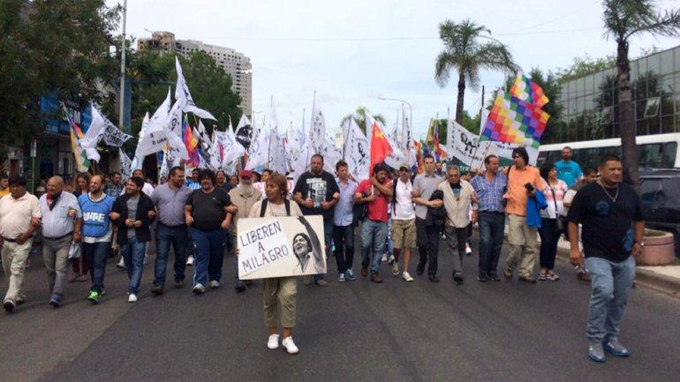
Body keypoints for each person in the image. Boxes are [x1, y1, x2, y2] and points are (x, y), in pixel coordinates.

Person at [567, 155, 644, 363]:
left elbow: (639, 218)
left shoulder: (629, 193)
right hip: (597, 253)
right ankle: (595, 339)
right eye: (612, 169)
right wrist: (574, 249)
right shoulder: (587, 193)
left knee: (619, 299)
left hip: (624, 255)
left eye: (619, 169)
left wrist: (638, 241)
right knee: (604, 291)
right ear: (601, 170)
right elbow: (572, 221)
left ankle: (611, 338)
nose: (617, 172)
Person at [246, 173, 304, 354]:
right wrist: (243, 250)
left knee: (289, 295)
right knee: (269, 298)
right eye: (267, 186)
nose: (268, 189)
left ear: (281, 188)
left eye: (272, 186)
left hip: (289, 262)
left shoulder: (292, 206)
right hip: (267, 263)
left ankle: (287, 336)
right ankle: (273, 333)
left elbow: (304, 228)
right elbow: (248, 234)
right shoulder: (258, 207)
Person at [185, 169, 236, 294]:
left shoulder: (221, 193)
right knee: (201, 256)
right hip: (199, 231)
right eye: (203, 179)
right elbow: (187, 208)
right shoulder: (194, 194)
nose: (205, 181)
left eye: (207, 179)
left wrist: (227, 220)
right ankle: (199, 283)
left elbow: (231, 208)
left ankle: (214, 277)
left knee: (216, 256)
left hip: (217, 231)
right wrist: (188, 216)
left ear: (212, 180)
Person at [292, 154, 340, 287]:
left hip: (326, 219)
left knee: (324, 247)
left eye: (318, 163)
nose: (315, 165)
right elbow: (295, 195)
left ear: (322, 164)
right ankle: (308, 273)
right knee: (308, 245)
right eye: (313, 163)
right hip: (308, 218)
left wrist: (330, 204)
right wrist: (303, 202)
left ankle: (319, 275)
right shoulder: (304, 177)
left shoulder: (329, 177)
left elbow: (337, 195)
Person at [39, 176, 82, 308]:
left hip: (64, 239)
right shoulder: (42, 199)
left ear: (62, 187)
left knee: (61, 267)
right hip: (46, 240)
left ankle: (57, 294)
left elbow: (79, 217)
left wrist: (76, 232)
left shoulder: (70, 198)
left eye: (53, 186)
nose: (50, 188)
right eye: (49, 185)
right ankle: (53, 290)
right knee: (49, 269)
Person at [111, 177, 156, 303]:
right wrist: (123, 221)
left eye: (132, 185)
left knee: (138, 262)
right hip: (124, 235)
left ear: (139, 187)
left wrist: (142, 222)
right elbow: (113, 216)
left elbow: (151, 217)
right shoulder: (120, 200)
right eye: (128, 185)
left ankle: (133, 289)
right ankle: (134, 282)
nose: (128, 187)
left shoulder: (146, 200)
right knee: (127, 260)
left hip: (140, 235)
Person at [1, 175, 41, 312]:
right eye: (12, 186)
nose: (14, 189)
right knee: (8, 270)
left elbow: (37, 220)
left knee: (16, 269)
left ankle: (10, 299)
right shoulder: (4, 200)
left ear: (24, 186)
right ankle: (19, 294)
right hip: (6, 241)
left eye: (17, 186)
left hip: (23, 241)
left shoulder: (32, 200)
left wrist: (26, 234)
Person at [503, 147, 544, 283]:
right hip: (513, 212)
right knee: (516, 245)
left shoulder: (534, 172)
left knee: (531, 246)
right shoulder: (508, 170)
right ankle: (510, 266)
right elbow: (495, 175)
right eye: (514, 157)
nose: (515, 159)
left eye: (518, 156)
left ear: (524, 157)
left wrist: (533, 193)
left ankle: (525, 272)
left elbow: (541, 191)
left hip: (530, 214)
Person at [150, 166, 192, 295]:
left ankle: (179, 276)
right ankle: (158, 283)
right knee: (161, 256)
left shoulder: (188, 191)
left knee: (180, 255)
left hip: (181, 229)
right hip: (163, 228)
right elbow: (151, 205)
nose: (182, 179)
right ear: (171, 176)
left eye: (182, 176)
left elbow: (191, 208)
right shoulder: (158, 190)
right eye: (179, 176)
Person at [79, 175, 115, 304]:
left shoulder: (110, 201)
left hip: (103, 237)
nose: (93, 184)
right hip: (86, 237)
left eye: (96, 182)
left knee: (99, 263)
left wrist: (114, 241)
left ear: (102, 185)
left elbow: (114, 219)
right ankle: (99, 285)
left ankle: (95, 291)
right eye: (91, 182)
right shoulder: (82, 199)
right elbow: (78, 217)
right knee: (92, 264)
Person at [354, 163, 393, 284]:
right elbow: (356, 199)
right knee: (365, 245)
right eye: (381, 173)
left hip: (382, 221)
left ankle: (374, 271)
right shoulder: (365, 183)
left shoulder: (388, 183)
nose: (383, 176)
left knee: (379, 248)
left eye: (385, 174)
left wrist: (376, 184)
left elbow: (390, 195)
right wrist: (367, 198)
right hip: (368, 220)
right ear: (374, 173)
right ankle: (365, 262)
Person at [471, 155, 507, 282]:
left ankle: (492, 271)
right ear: (486, 165)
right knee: (486, 242)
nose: (496, 166)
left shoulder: (503, 178)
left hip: (499, 214)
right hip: (484, 214)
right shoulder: (476, 180)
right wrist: (474, 211)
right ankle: (482, 271)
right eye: (493, 164)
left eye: (497, 164)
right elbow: (471, 195)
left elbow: (508, 192)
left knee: (497, 244)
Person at [439, 166, 477, 284]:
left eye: (456, 175)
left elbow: (474, 199)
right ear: (447, 176)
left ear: (459, 175)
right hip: (449, 221)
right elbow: (438, 203)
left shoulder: (467, 185)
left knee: (461, 247)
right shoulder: (441, 187)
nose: (454, 178)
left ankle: (457, 268)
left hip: (464, 221)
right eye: (451, 176)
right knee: (453, 247)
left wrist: (475, 211)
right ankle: (458, 271)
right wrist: (442, 217)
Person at [228, 170, 262, 293]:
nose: (246, 180)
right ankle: (239, 281)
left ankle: (248, 276)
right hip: (237, 230)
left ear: (252, 178)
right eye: (244, 178)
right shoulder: (232, 193)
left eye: (248, 178)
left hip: (253, 231)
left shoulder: (258, 194)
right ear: (239, 178)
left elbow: (261, 210)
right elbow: (226, 208)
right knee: (238, 255)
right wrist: (229, 209)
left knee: (251, 254)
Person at [412, 155, 444, 282]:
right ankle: (422, 260)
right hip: (421, 215)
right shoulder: (418, 179)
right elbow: (414, 198)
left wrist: (439, 203)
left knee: (434, 246)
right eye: (427, 163)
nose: (429, 165)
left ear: (435, 164)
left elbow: (443, 197)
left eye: (432, 162)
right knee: (422, 244)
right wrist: (428, 203)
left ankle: (432, 272)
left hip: (435, 217)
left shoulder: (440, 180)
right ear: (424, 164)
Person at [563, 167, 599, 282]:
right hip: (579, 223)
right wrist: (580, 208)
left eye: (596, 177)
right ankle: (581, 269)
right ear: (586, 176)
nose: (594, 179)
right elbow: (566, 202)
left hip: (592, 223)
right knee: (586, 246)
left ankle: (584, 268)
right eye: (592, 176)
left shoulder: (599, 189)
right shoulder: (575, 189)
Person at [538, 163, 568, 282]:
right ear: (546, 172)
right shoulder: (541, 183)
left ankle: (550, 268)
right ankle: (543, 267)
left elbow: (566, 197)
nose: (554, 172)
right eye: (552, 170)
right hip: (545, 217)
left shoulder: (562, 184)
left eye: (555, 170)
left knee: (554, 242)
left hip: (559, 218)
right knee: (546, 241)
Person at [391, 164, 417, 282]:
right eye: (401, 170)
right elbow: (385, 190)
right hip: (397, 218)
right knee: (397, 246)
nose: (403, 172)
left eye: (406, 170)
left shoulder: (413, 183)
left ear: (410, 173)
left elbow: (419, 194)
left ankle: (405, 271)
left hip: (411, 218)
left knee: (408, 245)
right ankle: (396, 261)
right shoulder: (394, 182)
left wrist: (417, 194)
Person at [332, 160, 357, 283]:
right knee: (338, 247)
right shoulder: (333, 184)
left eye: (346, 170)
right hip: (336, 220)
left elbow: (356, 201)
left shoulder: (353, 185)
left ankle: (349, 267)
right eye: (341, 170)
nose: (344, 172)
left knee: (350, 246)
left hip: (348, 219)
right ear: (337, 172)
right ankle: (341, 270)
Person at [70, 172, 91, 282]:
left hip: (88, 221)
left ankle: (85, 272)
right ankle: (75, 270)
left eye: (83, 182)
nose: (81, 184)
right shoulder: (75, 193)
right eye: (79, 182)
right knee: (75, 247)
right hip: (76, 221)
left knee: (85, 249)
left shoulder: (91, 193)